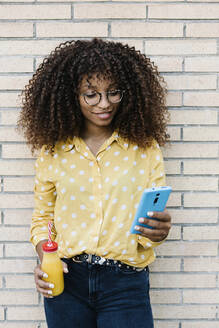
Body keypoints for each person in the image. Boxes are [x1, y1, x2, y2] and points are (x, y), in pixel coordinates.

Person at [18, 38, 171, 328]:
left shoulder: (144, 148)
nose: (105, 103)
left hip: (126, 283)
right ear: (71, 96)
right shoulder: (53, 151)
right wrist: (44, 257)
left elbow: (152, 218)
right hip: (66, 282)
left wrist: (158, 232)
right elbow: (42, 218)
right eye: (91, 95)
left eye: (114, 93)